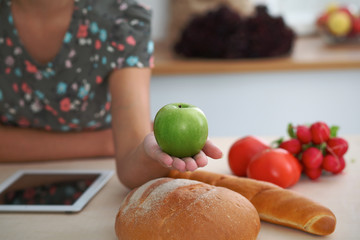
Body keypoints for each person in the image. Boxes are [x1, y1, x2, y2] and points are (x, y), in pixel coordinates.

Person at [0, 0, 223, 188]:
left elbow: (130, 170)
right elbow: (115, 146)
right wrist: (103, 142)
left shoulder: (122, 20)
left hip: (96, 179)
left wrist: (149, 155)